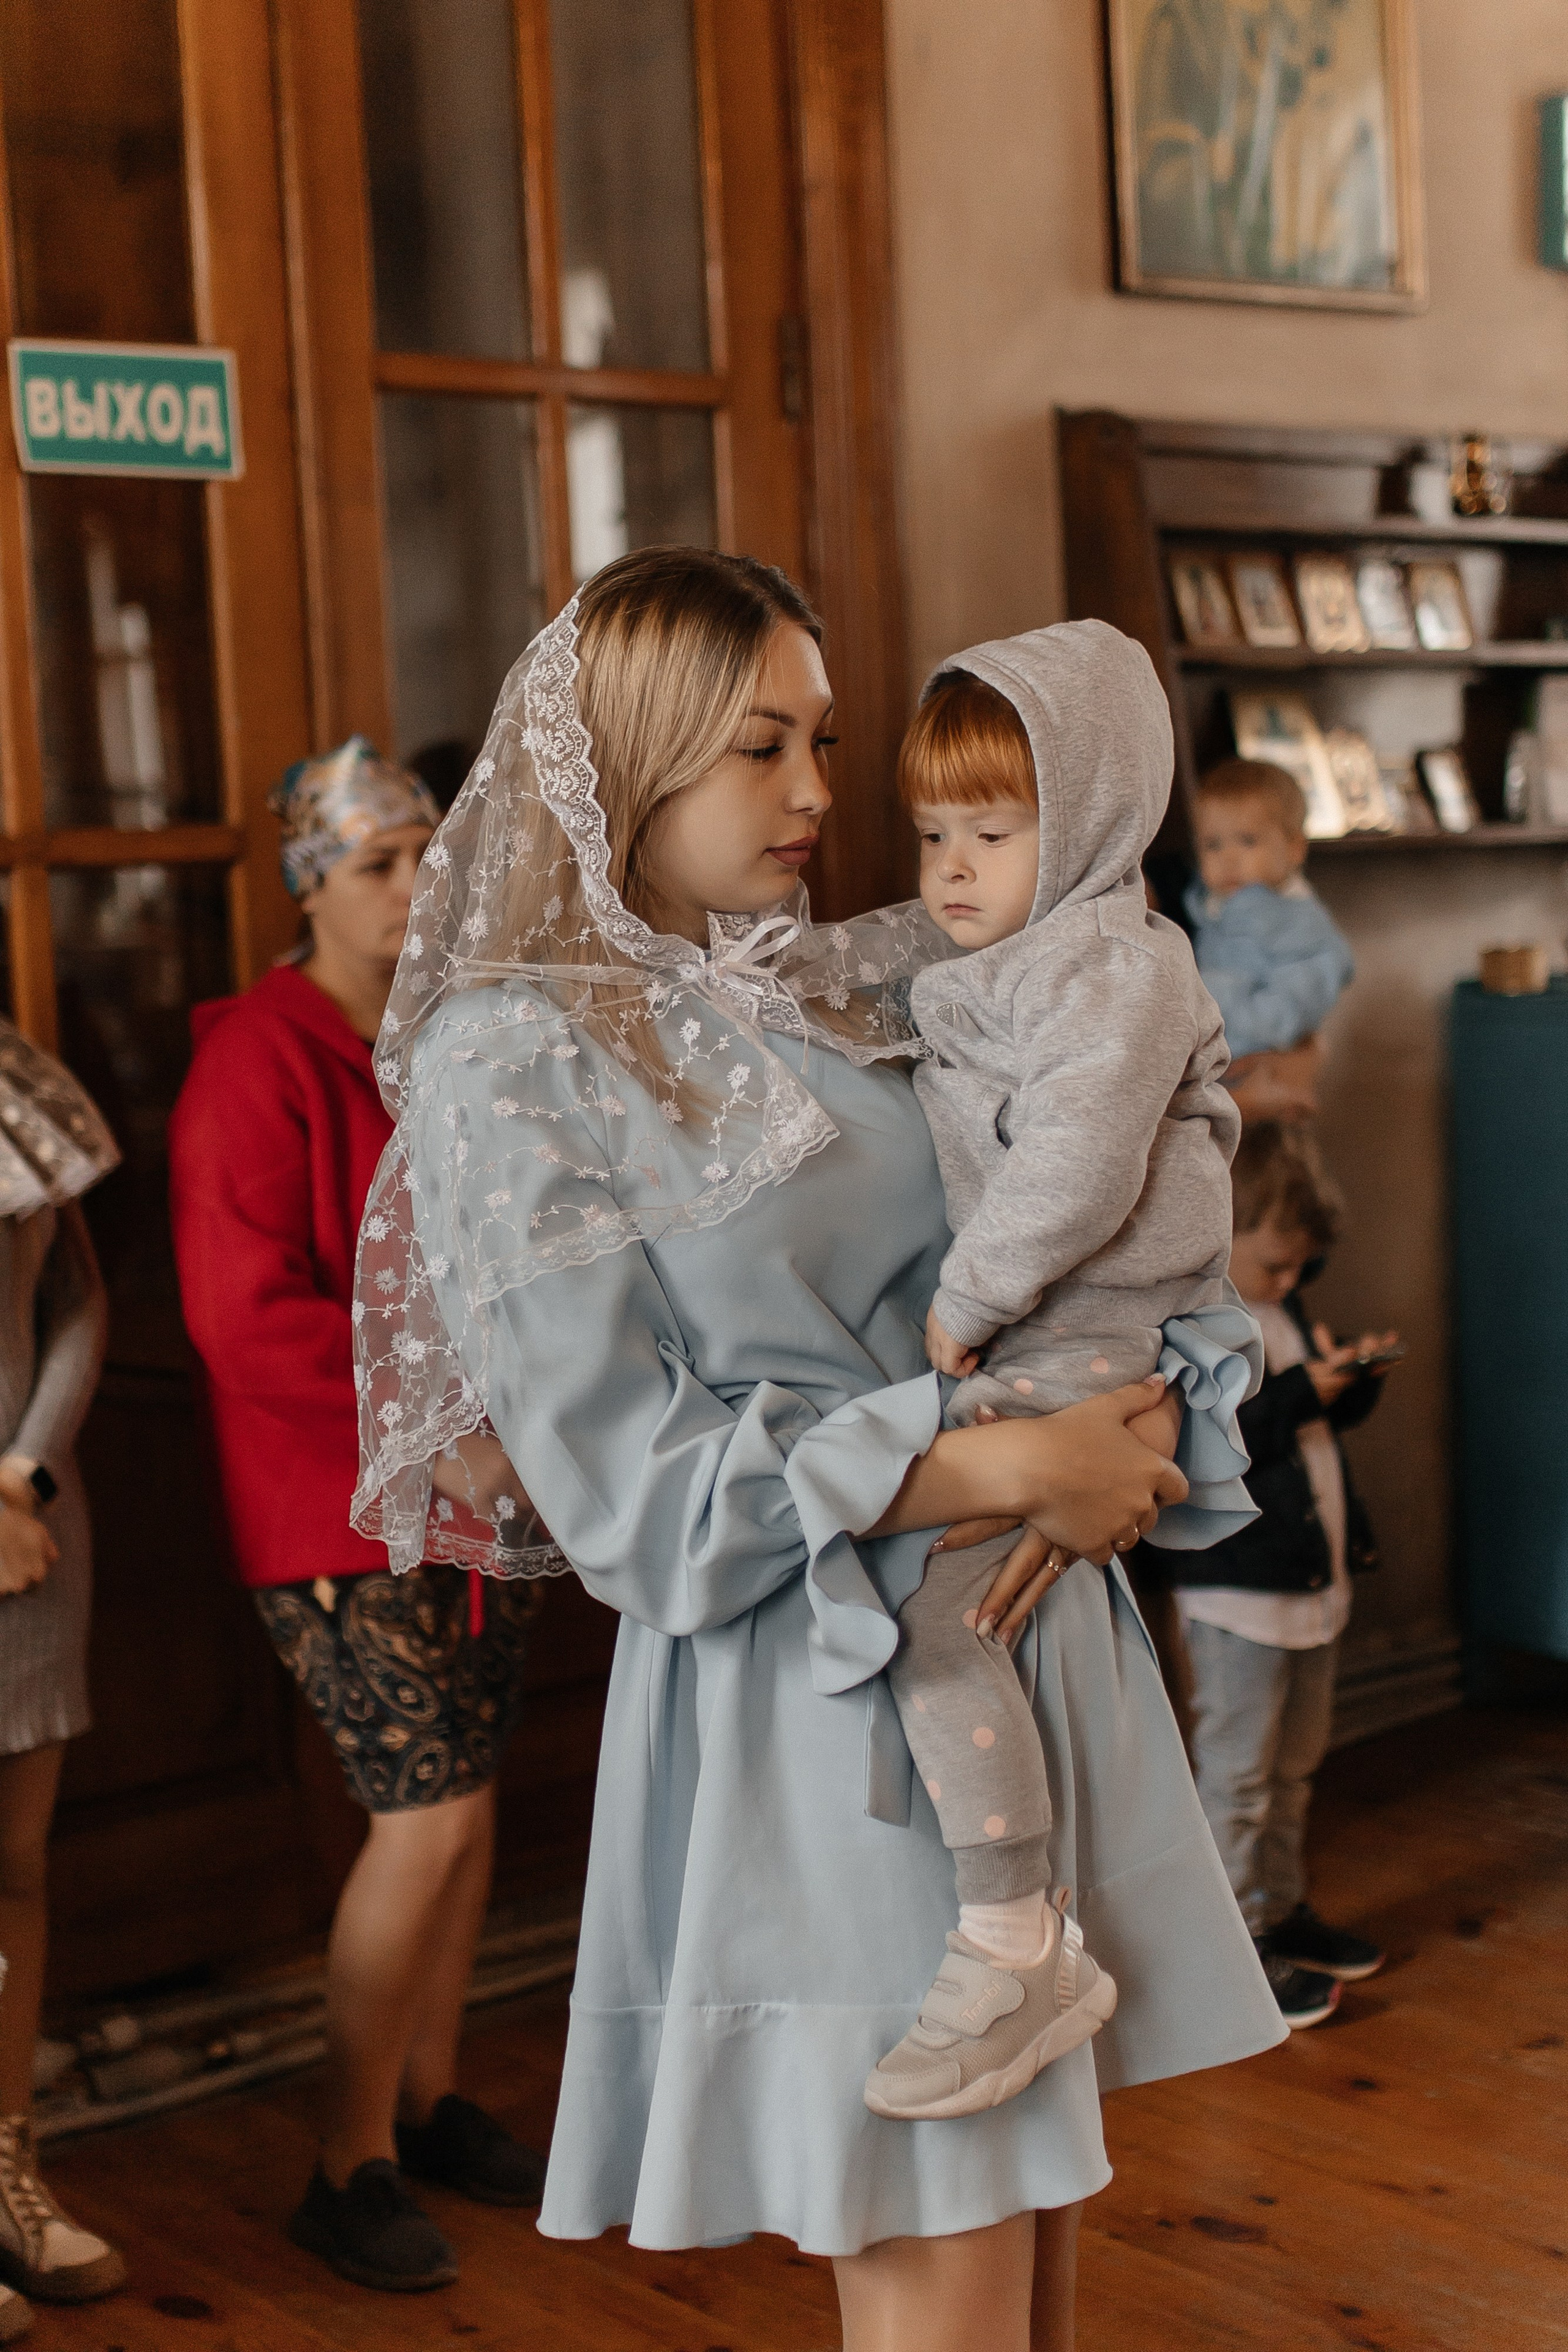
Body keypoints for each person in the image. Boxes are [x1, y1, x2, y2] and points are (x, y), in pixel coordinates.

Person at [351, 548, 1287, 2352]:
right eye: (757, 745)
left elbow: (1115, 1169)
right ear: (632, 758)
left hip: (1017, 1619)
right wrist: (1002, 1467)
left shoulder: (839, 981)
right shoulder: (510, 1057)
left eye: (823, 739)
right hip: (824, 1681)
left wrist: (1148, 1390)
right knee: (941, 2240)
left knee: (1029, 2238)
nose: (812, 791)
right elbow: (633, 1495)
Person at [867, 628, 1262, 2122]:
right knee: (946, 1595)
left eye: (990, 831)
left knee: (924, 1613)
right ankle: (1011, 1927)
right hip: (1056, 1328)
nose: (951, 868)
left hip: (1077, 1325)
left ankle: (1010, 1937)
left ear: (1090, 819)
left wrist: (967, 1295)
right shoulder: (1010, 957)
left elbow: (1080, 1159)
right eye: (932, 835)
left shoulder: (1111, 961)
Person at [168, 739, 543, 2297]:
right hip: (337, 1509)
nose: (413, 886)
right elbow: (241, 1319)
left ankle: (429, 2099)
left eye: (426, 856)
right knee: (425, 1816)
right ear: (309, 887)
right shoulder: (253, 1059)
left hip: (477, 1486)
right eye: (380, 863)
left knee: (467, 1810)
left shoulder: (436, 1035)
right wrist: (435, 1433)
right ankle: (346, 2162)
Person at [1170, 1121, 1393, 2028]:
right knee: (1239, 1777)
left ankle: (1279, 1907)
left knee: (1295, 1768)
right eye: (1277, 1263)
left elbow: (1309, 1428)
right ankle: (1232, 1944)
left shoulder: (1284, 1308)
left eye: (1304, 1265)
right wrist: (1305, 1392)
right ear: (1222, 1229)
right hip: (1238, 1592)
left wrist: (1350, 1382)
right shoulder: (1201, 1323)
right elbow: (1209, 1447)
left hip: (1307, 1582)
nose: (1293, 1279)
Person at [0, 1021, 123, 2338]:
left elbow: (77, 1306)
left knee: (17, 1869)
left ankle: (8, 2171)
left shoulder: (16, 1072)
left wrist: (20, 1477)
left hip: (29, 1541)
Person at [1185, 758, 1354, 1123]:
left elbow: (1306, 990)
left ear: (1294, 849)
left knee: (1275, 1151)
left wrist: (1242, 1033)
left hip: (1256, 1057)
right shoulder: (1211, 906)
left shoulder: (1295, 920)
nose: (1228, 859)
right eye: (1212, 845)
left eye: (1248, 841)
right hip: (1213, 1056)